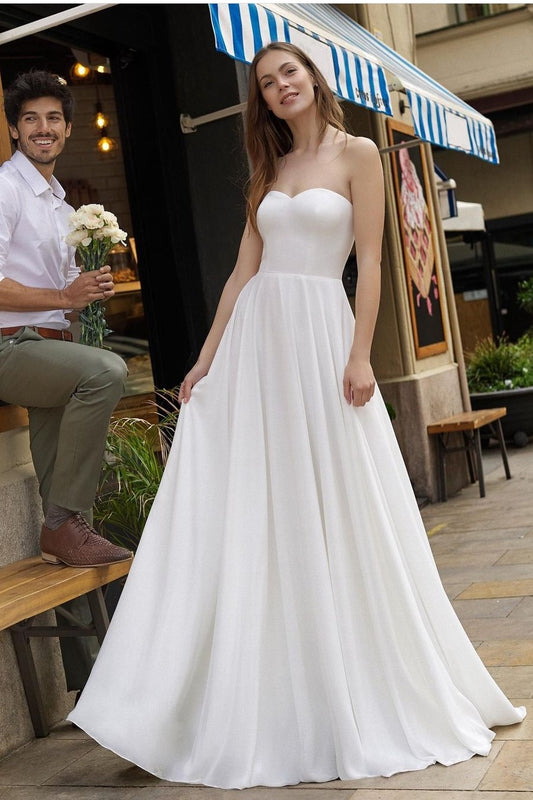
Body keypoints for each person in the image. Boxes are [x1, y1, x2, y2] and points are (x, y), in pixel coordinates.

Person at [68, 43, 525, 788]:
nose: (280, 87)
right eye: (266, 82)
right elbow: (241, 275)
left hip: (320, 335)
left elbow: (371, 262)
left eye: (289, 73)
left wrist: (357, 356)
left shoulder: (359, 157)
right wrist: (207, 357)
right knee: (250, 501)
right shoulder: (267, 172)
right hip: (257, 343)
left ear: (314, 78)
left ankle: (349, 676)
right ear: (262, 98)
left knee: (338, 496)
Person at [0, 70, 132, 569]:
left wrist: (86, 296)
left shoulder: (63, 208)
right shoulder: (5, 189)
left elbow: (68, 297)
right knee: (106, 370)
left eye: (53, 118)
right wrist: (62, 293)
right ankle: (61, 526)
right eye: (30, 118)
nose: (43, 127)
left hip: (49, 352)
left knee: (64, 505)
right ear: (14, 129)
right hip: (9, 347)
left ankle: (64, 539)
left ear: (68, 129)